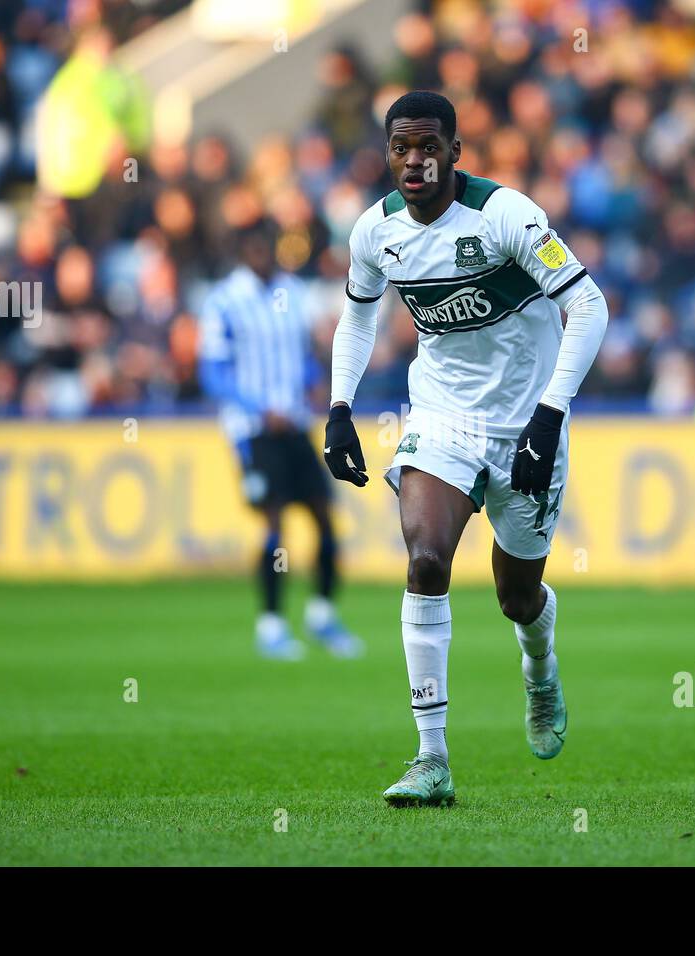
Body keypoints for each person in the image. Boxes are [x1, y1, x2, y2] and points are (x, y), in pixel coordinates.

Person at [323, 91, 608, 806]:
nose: (413, 160)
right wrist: (338, 407)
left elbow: (589, 305)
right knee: (424, 559)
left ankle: (540, 671)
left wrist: (550, 414)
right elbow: (357, 320)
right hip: (442, 418)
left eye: (427, 146)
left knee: (517, 596)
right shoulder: (375, 233)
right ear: (387, 153)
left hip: (526, 425)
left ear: (454, 152)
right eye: (399, 147)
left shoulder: (506, 215)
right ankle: (431, 758)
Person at [199, 220, 362, 660]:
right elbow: (212, 372)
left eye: (267, 247)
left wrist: (313, 383)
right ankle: (270, 623)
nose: (263, 255)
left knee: (324, 517)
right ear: (241, 252)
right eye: (254, 248)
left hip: (293, 425)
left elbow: (302, 358)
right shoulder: (224, 302)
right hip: (254, 431)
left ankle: (323, 615)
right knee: (274, 522)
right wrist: (256, 407)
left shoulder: (294, 294)